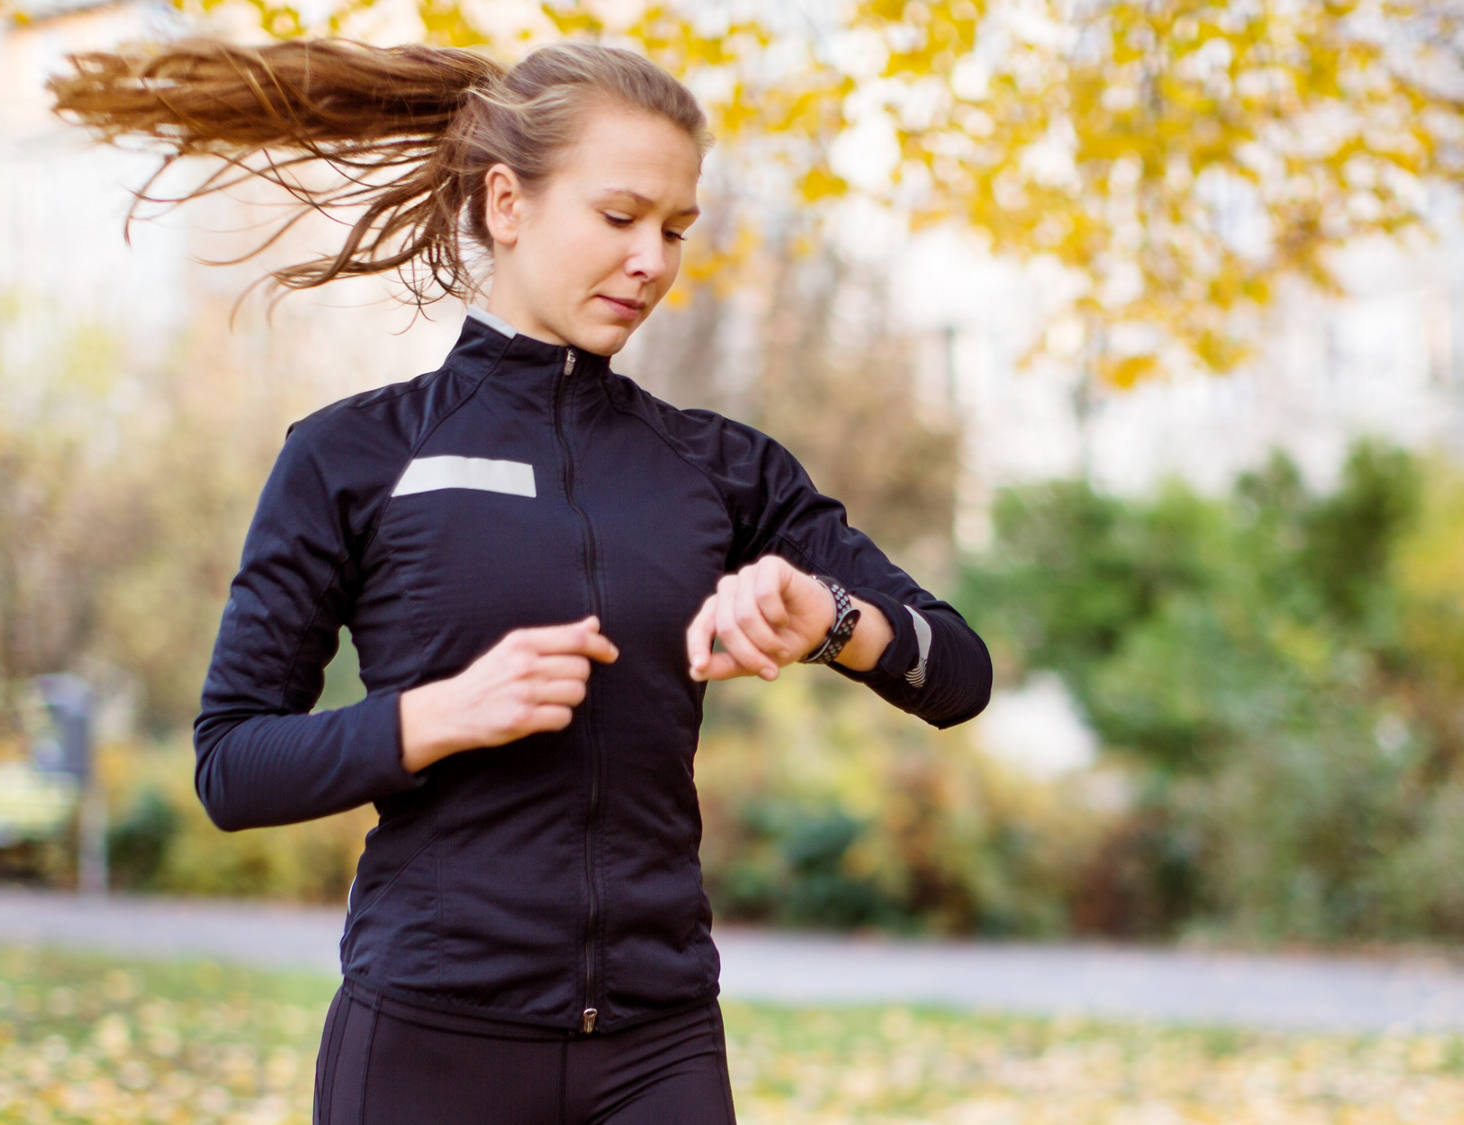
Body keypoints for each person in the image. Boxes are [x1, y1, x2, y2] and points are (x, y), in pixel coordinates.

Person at [49, 34, 993, 1125]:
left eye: (675, 229)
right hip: (428, 1045)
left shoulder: (720, 468)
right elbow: (231, 765)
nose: (652, 261)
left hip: (659, 1049)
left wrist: (830, 618)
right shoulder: (354, 455)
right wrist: (438, 715)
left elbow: (959, 674)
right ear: (507, 203)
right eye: (619, 216)